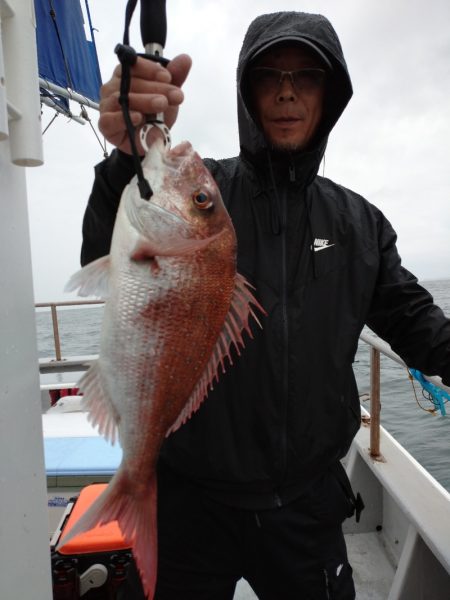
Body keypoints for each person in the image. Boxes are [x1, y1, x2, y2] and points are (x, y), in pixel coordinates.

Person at [82, 11, 450, 600]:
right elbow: (111, 251)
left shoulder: (359, 224)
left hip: (306, 509)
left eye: (306, 77)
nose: (286, 92)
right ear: (246, 92)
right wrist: (126, 161)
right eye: (269, 75)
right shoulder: (206, 197)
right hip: (190, 503)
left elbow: (417, 322)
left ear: (329, 96)